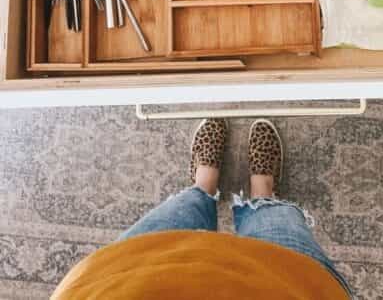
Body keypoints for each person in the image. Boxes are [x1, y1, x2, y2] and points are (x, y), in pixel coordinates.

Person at [51, 118, 352, 299]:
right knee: (277, 224)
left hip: (124, 283)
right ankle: (263, 191)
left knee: (178, 214)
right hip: (286, 289)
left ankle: (204, 184)